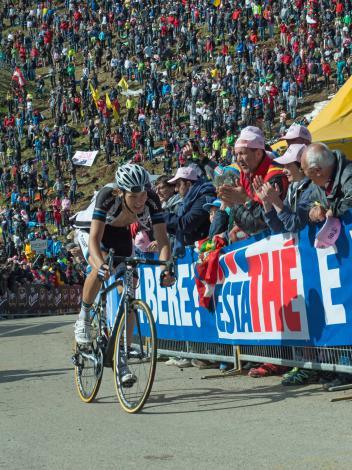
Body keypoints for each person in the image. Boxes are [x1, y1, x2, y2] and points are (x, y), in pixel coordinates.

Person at [74, 164, 174, 385]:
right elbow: (93, 240)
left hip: (119, 233)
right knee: (100, 270)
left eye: (143, 194)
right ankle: (84, 317)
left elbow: (163, 241)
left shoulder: (151, 200)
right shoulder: (107, 196)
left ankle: (122, 355)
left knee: (130, 288)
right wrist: (100, 264)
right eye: (134, 196)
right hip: (91, 231)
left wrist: (165, 267)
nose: (140, 201)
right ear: (121, 192)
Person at [217, 126, 289, 236]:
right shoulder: (246, 172)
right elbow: (249, 217)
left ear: (258, 153)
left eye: (242, 153)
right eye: (236, 154)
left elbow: (259, 225)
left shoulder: (275, 176)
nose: (238, 159)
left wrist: (241, 201)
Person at [254, 144, 314, 233]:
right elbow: (278, 227)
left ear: (301, 166)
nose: (283, 170)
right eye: (284, 166)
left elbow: (296, 225)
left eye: (288, 166)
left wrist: (276, 201)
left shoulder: (311, 189)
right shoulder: (293, 187)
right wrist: (267, 203)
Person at [165, 167, 216, 257]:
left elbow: (187, 224)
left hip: (204, 253)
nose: (176, 189)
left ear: (188, 184)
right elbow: (179, 227)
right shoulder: (187, 202)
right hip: (192, 254)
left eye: (178, 185)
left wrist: (163, 217)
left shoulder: (204, 198)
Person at [300, 143, 352, 222]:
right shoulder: (321, 180)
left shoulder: (348, 174)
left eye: (310, 177)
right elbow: (306, 201)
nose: (311, 182)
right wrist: (312, 210)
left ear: (317, 170)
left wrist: (333, 210)